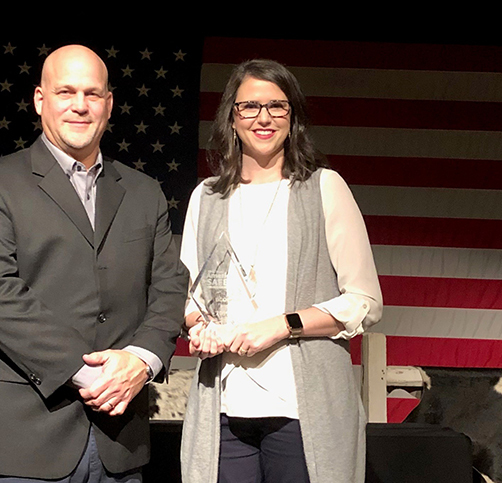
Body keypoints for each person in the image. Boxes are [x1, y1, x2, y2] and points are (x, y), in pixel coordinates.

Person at [0, 44, 188, 483]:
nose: (80, 106)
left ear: (109, 104)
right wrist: (89, 375)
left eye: (92, 94)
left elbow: (169, 286)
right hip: (27, 442)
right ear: (40, 100)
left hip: (121, 439)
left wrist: (140, 361)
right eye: (66, 92)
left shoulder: (144, 192)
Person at [179, 59, 382, 483]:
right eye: (250, 106)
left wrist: (281, 326)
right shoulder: (206, 197)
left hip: (302, 410)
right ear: (231, 117)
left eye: (277, 106)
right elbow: (190, 299)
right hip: (223, 409)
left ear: (293, 118)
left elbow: (364, 301)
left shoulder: (324, 187)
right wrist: (199, 328)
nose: (264, 117)